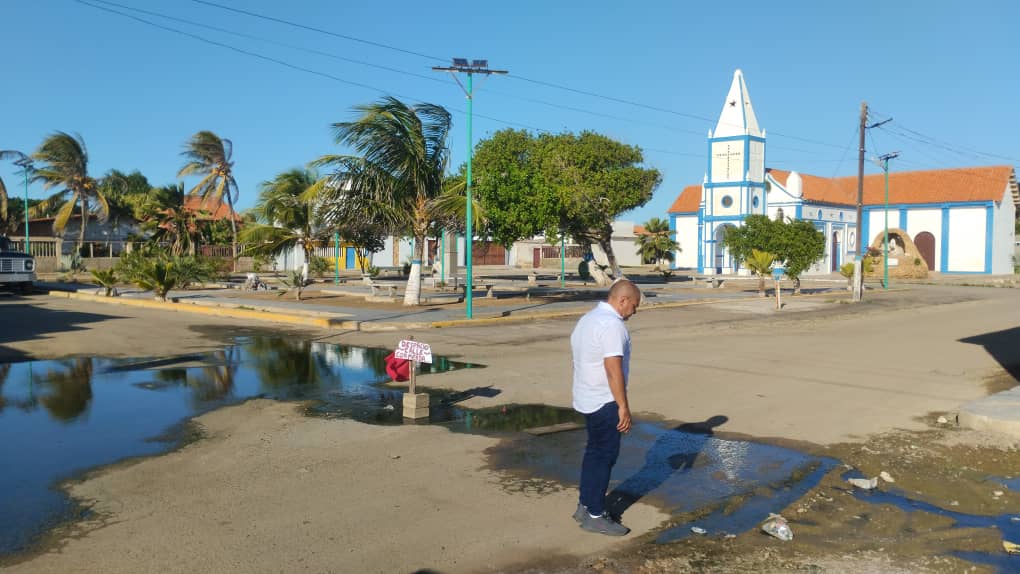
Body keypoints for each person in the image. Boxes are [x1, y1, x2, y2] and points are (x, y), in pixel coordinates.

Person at [570, 279, 640, 536]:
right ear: (623, 301)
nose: (634, 311)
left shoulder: (588, 319)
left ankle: (585, 504)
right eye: (634, 306)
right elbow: (613, 370)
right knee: (604, 457)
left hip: (587, 397)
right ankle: (595, 515)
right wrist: (623, 406)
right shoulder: (612, 326)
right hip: (604, 401)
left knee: (594, 453)